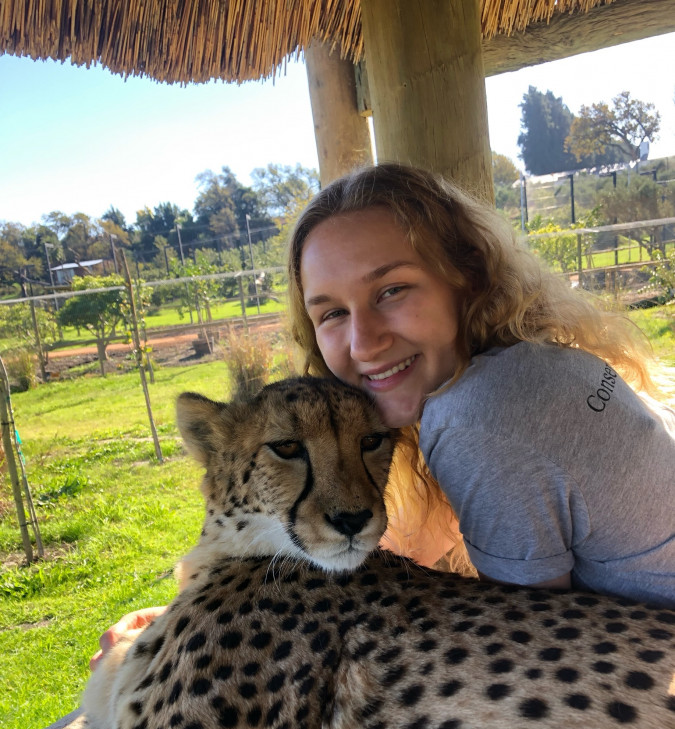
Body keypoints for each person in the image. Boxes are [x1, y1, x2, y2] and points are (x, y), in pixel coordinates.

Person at [93, 163, 674, 666]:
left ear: (465, 277)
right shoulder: (528, 363)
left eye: (391, 290)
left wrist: (228, 640)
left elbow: (531, 642)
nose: (365, 342)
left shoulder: (480, 416)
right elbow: (428, 544)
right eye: (331, 314)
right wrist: (225, 609)